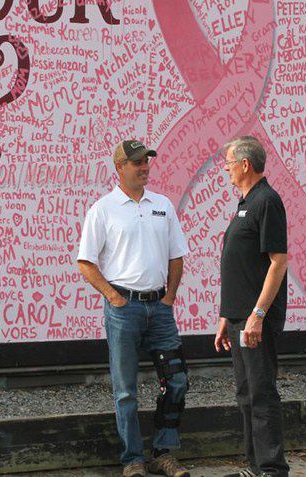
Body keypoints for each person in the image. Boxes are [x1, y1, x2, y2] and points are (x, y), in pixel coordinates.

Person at [77, 140, 192, 477]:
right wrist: (113, 297)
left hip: (160, 308)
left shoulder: (163, 205)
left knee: (177, 380)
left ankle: (162, 453)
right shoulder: (103, 209)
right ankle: (133, 460)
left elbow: (176, 255)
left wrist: (170, 297)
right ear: (120, 167)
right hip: (123, 309)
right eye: (137, 162)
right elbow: (86, 262)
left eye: (146, 161)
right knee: (125, 389)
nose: (144, 167)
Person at [214, 136, 290, 477]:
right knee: (245, 393)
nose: (226, 169)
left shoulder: (267, 201)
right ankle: (255, 467)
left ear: (245, 165)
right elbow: (241, 265)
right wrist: (226, 316)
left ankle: (272, 469)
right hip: (238, 319)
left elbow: (278, 262)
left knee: (261, 393)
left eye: (229, 163)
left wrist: (257, 315)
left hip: (254, 321)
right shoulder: (246, 203)